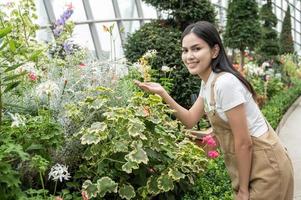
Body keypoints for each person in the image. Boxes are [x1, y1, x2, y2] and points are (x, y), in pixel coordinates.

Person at [135, 21, 294, 200]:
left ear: (214, 51)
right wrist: (162, 93)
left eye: (196, 48)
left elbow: (244, 142)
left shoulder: (225, 83)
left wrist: (243, 191)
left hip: (267, 167)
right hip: (254, 166)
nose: (189, 56)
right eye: (185, 50)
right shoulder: (208, 82)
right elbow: (190, 119)